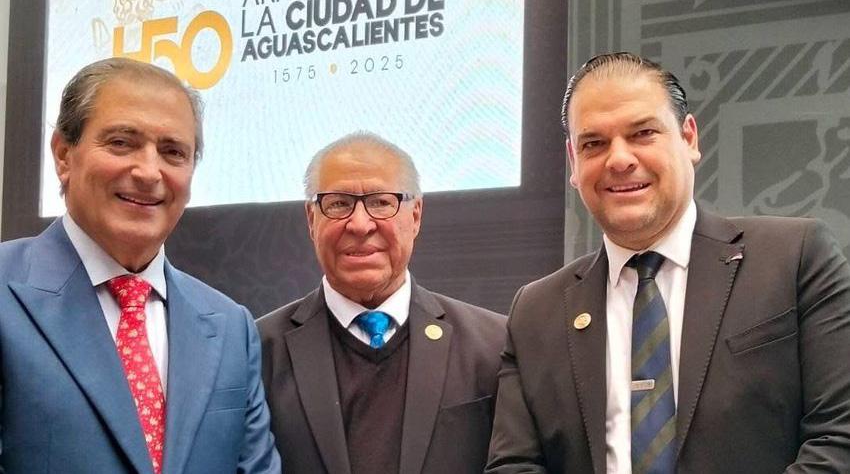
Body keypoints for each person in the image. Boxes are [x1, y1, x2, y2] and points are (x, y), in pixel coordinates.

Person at [486, 52, 850, 473]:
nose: (619, 159)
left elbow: (838, 437)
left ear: (689, 138)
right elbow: (514, 465)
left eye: (642, 133)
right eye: (594, 144)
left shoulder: (794, 258)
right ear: (574, 162)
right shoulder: (536, 311)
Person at [0, 57, 281, 473]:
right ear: (63, 154)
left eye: (173, 152)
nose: (149, 172)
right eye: (121, 142)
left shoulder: (230, 327)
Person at [258, 132, 506, 474]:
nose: (360, 225)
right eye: (338, 203)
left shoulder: (492, 345)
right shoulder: (259, 351)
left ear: (415, 215)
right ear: (311, 220)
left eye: (381, 202)